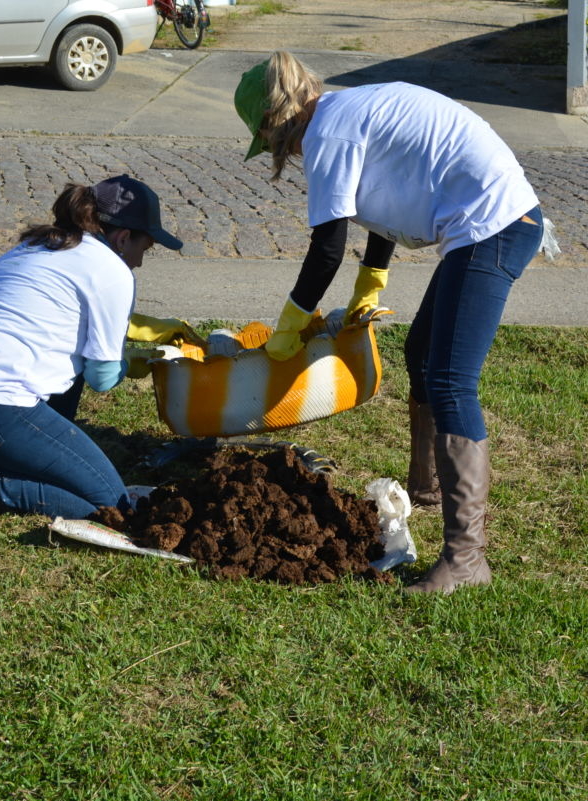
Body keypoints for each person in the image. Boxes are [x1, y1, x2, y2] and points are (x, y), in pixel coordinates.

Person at [234, 51, 546, 594]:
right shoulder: (346, 112)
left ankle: (467, 557)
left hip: (494, 225)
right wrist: (370, 283)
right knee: (422, 354)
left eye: (274, 146)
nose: (285, 155)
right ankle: (427, 490)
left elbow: (327, 247)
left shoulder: (328, 132)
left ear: (275, 125)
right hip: (493, 221)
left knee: (451, 380)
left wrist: (289, 326)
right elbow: (379, 202)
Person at [0, 175, 199, 526]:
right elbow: (102, 378)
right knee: (113, 506)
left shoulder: (41, 244)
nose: (140, 261)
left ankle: (24, 455)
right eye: (145, 248)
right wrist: (136, 363)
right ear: (123, 238)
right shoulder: (113, 271)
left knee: (71, 458)